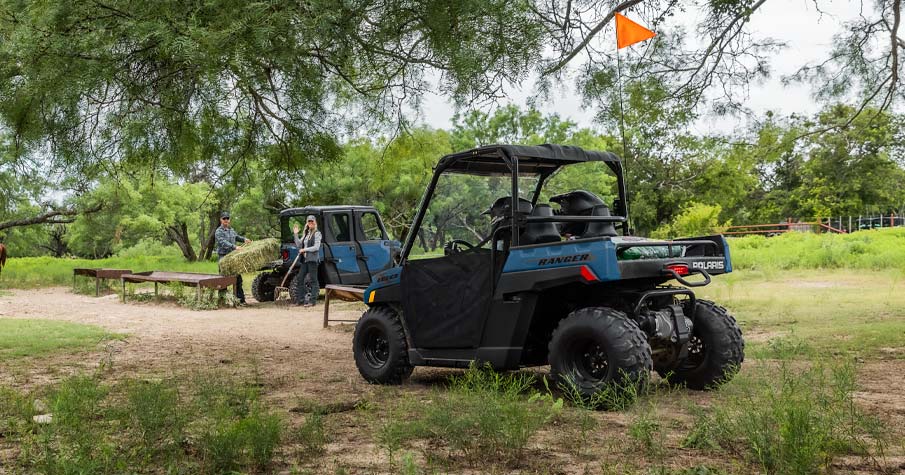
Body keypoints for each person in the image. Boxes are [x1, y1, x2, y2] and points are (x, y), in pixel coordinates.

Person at [215, 211, 252, 304]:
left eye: (227, 218)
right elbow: (222, 242)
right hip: (223, 257)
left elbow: (236, 237)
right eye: (224, 218)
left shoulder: (231, 230)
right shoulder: (218, 231)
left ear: (229, 220)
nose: (226, 220)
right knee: (223, 279)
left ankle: (240, 300)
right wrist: (234, 247)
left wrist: (244, 239)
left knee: (238, 278)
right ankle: (222, 301)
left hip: (233, 257)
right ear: (221, 220)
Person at [293, 215, 322, 307]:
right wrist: (296, 234)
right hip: (305, 260)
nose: (310, 223)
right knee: (300, 278)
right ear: (307, 223)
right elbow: (298, 245)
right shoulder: (306, 234)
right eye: (309, 221)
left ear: (315, 222)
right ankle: (301, 300)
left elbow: (316, 247)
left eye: (312, 221)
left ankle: (312, 301)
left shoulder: (317, 233)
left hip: (312, 260)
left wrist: (304, 250)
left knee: (313, 280)